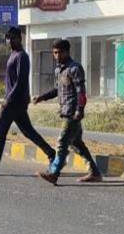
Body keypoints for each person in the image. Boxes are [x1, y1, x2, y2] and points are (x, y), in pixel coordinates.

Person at [0, 27, 56, 176]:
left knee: (1, 127)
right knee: (28, 132)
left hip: (15, 101)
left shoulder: (22, 56)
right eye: (8, 39)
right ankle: (51, 154)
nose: (9, 41)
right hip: (16, 101)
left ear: (19, 38)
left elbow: (20, 82)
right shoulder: (13, 55)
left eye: (12, 38)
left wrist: (8, 100)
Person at [34, 39, 102, 185]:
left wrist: (80, 110)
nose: (57, 56)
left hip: (73, 113)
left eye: (59, 52)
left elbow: (81, 92)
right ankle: (95, 172)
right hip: (65, 111)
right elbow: (57, 90)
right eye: (54, 53)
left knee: (62, 141)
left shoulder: (75, 68)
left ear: (66, 52)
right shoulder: (59, 70)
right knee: (77, 144)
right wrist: (42, 97)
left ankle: (54, 172)